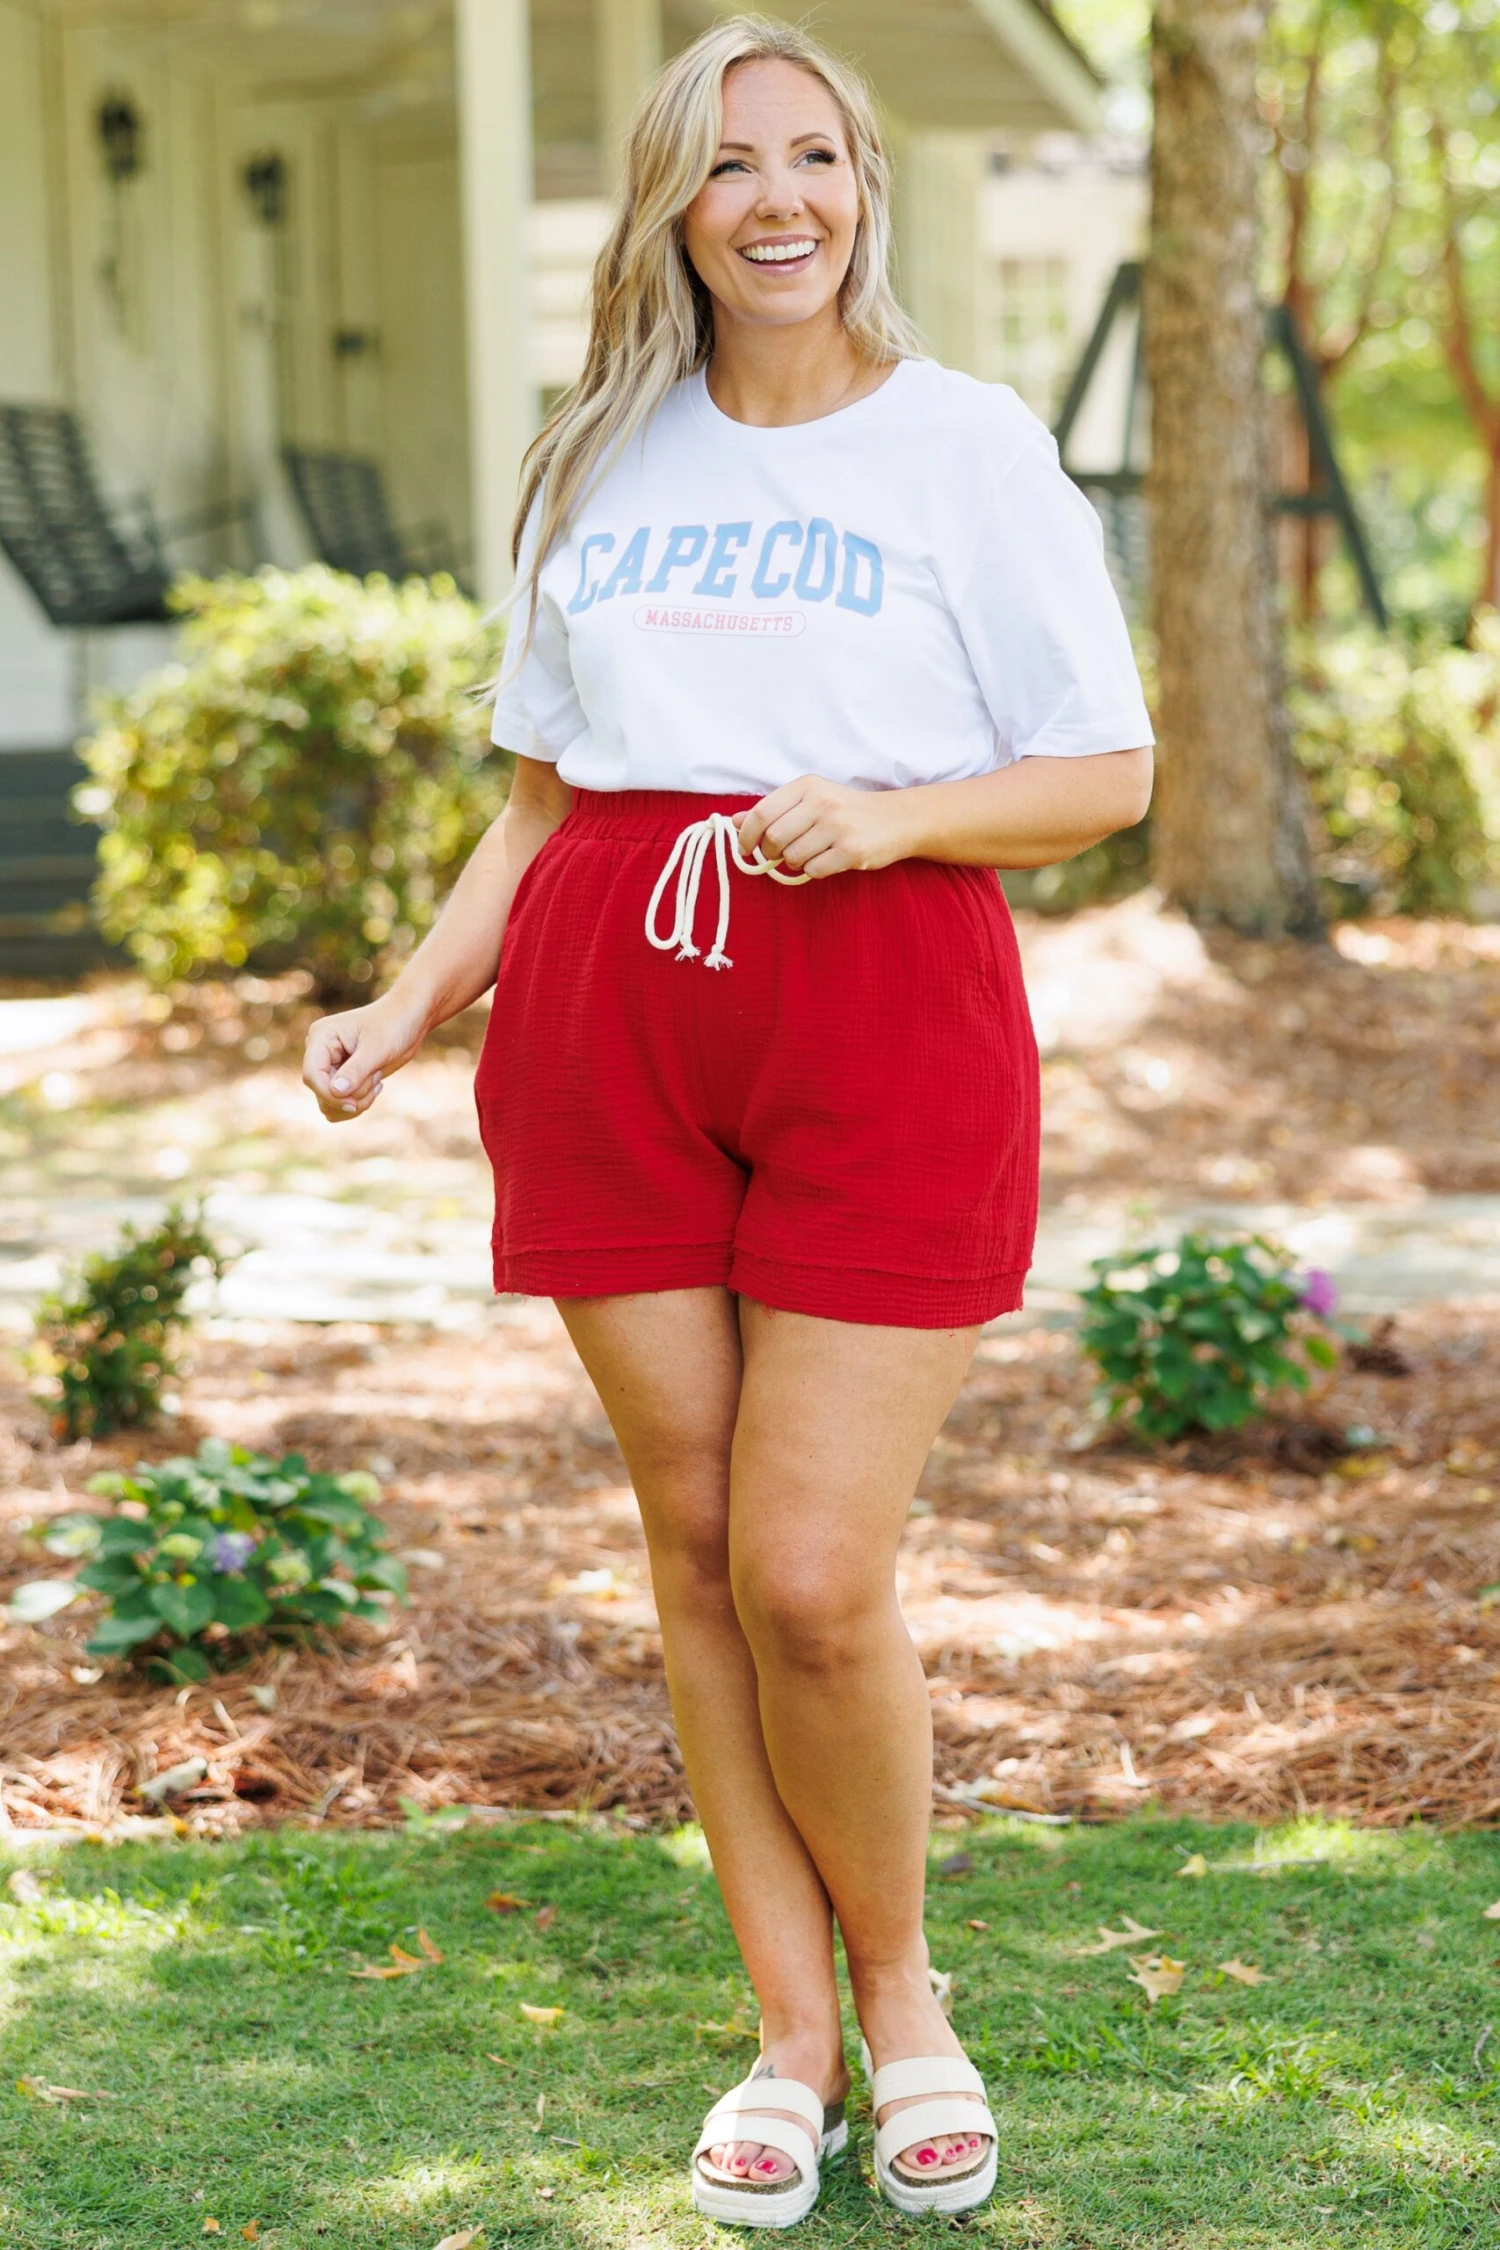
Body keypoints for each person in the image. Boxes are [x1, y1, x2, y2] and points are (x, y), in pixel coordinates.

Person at [303, 13, 1153, 2225]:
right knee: (691, 1547)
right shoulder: (598, 456)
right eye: (729, 164)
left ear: (864, 185)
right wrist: (405, 1002)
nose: (779, 200)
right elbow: (538, 806)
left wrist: (891, 818)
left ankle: (907, 2000)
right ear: (671, 207)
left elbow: (1106, 771)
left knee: (809, 1572)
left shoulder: (966, 446)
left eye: (815, 157)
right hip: (613, 1004)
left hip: (881, 996)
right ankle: (787, 2034)